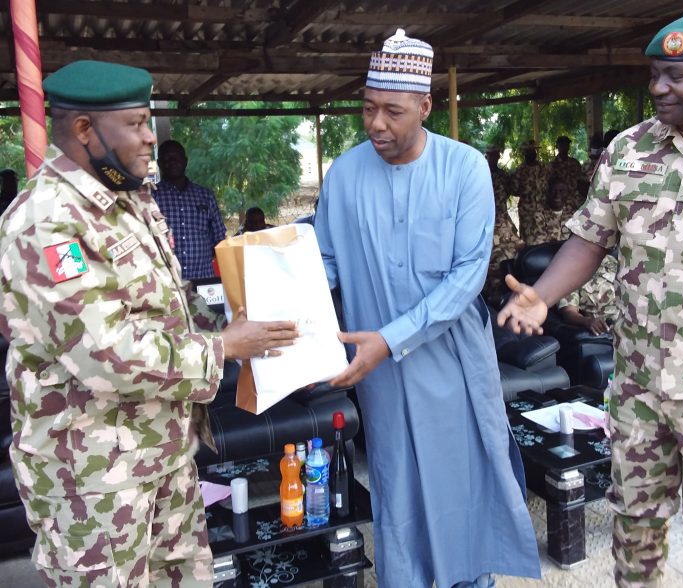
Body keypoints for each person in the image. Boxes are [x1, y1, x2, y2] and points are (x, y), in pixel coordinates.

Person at [0, 60, 299, 587]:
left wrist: (242, 323)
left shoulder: (129, 199)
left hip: (162, 454)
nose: (149, 140)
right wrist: (223, 347)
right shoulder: (47, 221)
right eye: (136, 124)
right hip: (92, 481)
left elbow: (169, 304)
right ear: (85, 130)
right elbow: (105, 351)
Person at [498, 10, 683, 587]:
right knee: (634, 525)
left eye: (675, 76)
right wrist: (541, 297)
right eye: (654, 75)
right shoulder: (629, 147)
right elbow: (589, 239)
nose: (658, 88)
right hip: (638, 383)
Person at [314, 29, 539, 588]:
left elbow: (466, 279)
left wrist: (389, 339)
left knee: (464, 488)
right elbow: (323, 267)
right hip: (381, 374)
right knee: (399, 490)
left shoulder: (465, 168)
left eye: (392, 111)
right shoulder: (343, 175)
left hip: (455, 366)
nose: (376, 125)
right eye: (367, 109)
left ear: (424, 106)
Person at [153, 139, 227, 280]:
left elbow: (219, 237)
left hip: (203, 278)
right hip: (167, 282)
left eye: (176, 157)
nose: (172, 161)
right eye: (167, 158)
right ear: (159, 163)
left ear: (185, 161)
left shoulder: (205, 196)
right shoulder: (151, 197)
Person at [483, 145, 524, 308]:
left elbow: (512, 192)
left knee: (515, 251)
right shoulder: (481, 172)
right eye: (491, 155)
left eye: (496, 155)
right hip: (484, 217)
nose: (494, 157)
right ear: (487, 156)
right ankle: (491, 298)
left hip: (501, 216)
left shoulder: (502, 175)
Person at [557, 254, 618, 336]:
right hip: (614, 327)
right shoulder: (569, 272)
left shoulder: (611, 260)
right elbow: (569, 312)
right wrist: (588, 321)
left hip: (635, 315)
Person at [513, 139, 549, 244]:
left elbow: (550, 185)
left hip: (543, 210)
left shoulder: (544, 168)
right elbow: (514, 190)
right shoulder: (520, 170)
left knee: (544, 238)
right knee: (527, 239)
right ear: (524, 153)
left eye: (533, 150)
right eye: (527, 151)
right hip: (527, 212)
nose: (531, 153)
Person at [526, 177, 570, 246]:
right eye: (553, 191)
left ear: (567, 193)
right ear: (547, 193)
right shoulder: (538, 215)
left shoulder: (575, 214)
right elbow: (537, 244)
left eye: (561, 191)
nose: (557, 195)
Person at [548, 135, 584, 217]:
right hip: (558, 205)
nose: (565, 147)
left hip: (574, 204)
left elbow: (581, 183)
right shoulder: (552, 166)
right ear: (557, 146)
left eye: (566, 144)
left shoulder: (575, 164)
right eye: (562, 145)